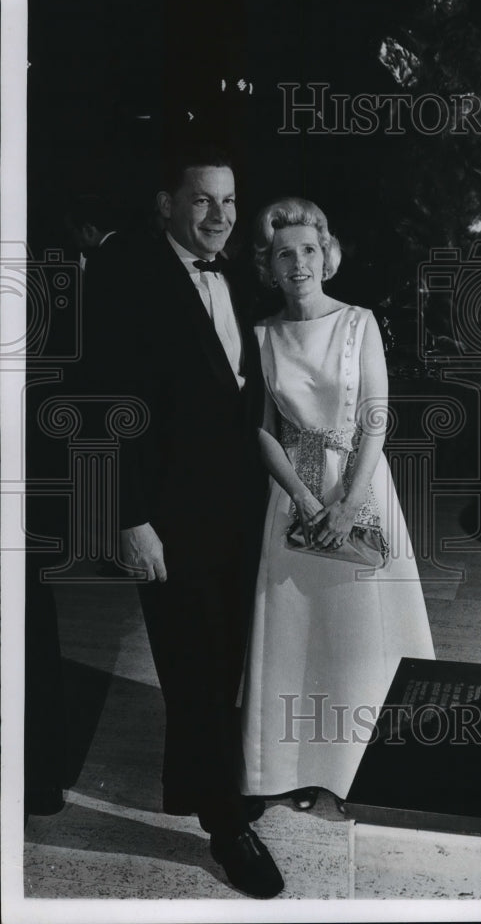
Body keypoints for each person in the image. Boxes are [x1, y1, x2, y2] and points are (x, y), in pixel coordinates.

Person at [84, 145, 284, 899]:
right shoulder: (122, 271)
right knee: (192, 664)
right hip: (166, 515)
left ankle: (207, 784)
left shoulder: (233, 271)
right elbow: (104, 408)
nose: (219, 217)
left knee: (226, 655)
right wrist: (128, 520)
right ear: (165, 203)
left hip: (240, 507)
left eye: (229, 203)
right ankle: (225, 826)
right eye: (202, 201)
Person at [239, 198, 435, 811]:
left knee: (358, 636)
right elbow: (262, 428)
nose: (298, 262)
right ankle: (292, 770)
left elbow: (376, 418)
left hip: (360, 486)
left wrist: (348, 503)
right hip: (290, 494)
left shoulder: (358, 322)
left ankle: (358, 772)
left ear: (327, 256)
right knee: (297, 635)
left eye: (308, 250)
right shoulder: (264, 334)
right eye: (283, 253)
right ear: (268, 267)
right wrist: (299, 497)